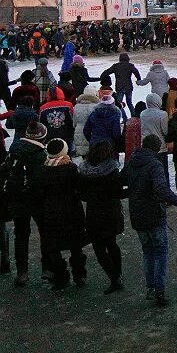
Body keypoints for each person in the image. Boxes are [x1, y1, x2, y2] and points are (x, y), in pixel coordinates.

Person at [121, 134, 177, 307]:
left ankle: (150, 287)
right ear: (157, 149)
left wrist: (134, 194)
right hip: (153, 214)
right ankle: (159, 289)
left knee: (147, 251)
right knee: (160, 251)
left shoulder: (131, 162)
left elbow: (119, 182)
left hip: (137, 214)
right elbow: (161, 190)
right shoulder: (154, 165)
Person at [1, 122, 48, 286]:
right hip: (36, 200)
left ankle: (22, 272)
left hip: (17, 200)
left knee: (21, 235)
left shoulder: (15, 150)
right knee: (45, 232)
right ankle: (47, 268)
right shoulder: (40, 155)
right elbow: (41, 181)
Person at [38, 139, 88, 290]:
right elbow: (80, 188)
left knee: (53, 246)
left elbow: (39, 193)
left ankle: (61, 275)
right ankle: (79, 274)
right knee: (75, 245)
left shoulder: (43, 169)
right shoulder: (71, 168)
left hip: (50, 212)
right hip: (71, 211)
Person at [77, 140, 125, 294]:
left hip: (94, 212)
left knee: (99, 248)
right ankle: (117, 275)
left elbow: (82, 195)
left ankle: (114, 277)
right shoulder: (112, 169)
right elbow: (117, 192)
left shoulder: (84, 171)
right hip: (111, 210)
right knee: (112, 244)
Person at [100, 53, 141, 120]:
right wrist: (138, 79)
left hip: (119, 87)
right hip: (128, 87)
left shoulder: (116, 66)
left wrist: (102, 77)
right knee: (129, 102)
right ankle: (134, 117)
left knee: (119, 104)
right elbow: (136, 72)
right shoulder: (130, 65)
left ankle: (124, 118)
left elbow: (107, 72)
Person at [72, 87, 100, 158]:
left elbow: (74, 122)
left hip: (79, 131)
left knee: (83, 156)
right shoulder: (97, 107)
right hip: (92, 133)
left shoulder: (77, 106)